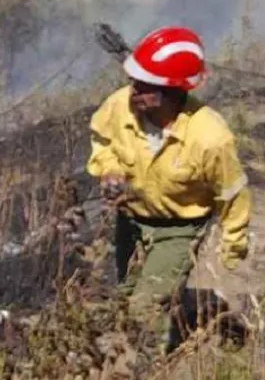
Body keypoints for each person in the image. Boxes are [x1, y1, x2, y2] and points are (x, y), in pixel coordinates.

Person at [86, 26, 251, 354]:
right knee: (126, 294)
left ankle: (145, 368)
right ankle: (171, 311)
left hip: (179, 230)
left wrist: (233, 244)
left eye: (145, 86)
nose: (133, 91)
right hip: (131, 221)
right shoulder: (119, 107)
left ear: (172, 92)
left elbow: (232, 193)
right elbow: (102, 141)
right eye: (134, 81)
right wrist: (108, 170)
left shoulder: (210, 137)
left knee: (145, 307)